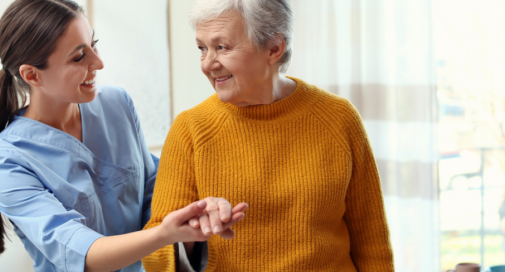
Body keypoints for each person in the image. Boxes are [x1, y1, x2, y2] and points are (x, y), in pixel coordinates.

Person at [0, 1, 246, 271]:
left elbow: (155, 192)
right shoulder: (9, 160)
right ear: (32, 75)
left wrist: (193, 215)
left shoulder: (117, 104)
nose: (99, 62)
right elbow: (82, 253)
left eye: (94, 45)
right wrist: (165, 233)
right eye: (79, 57)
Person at [142, 0, 395, 271]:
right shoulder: (191, 129)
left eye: (222, 47)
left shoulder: (338, 117)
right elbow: (156, 256)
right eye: (202, 48)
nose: (207, 64)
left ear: (274, 48)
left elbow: (372, 241)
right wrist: (190, 234)